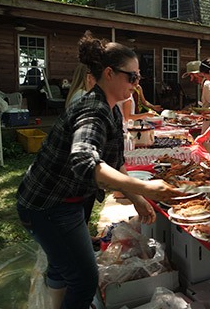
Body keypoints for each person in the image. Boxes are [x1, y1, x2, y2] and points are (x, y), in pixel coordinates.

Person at [16, 31, 181, 309]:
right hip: (49, 205)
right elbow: (84, 160)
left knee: (62, 267)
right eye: (133, 76)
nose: (137, 83)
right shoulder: (94, 110)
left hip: (66, 201)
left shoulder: (112, 108)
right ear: (109, 73)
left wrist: (138, 199)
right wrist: (146, 188)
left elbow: (114, 162)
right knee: (83, 279)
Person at [183, 60, 210, 157]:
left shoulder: (208, 84)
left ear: (197, 74)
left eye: (191, 76)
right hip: (209, 123)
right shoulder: (206, 84)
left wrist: (207, 133)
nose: (191, 79)